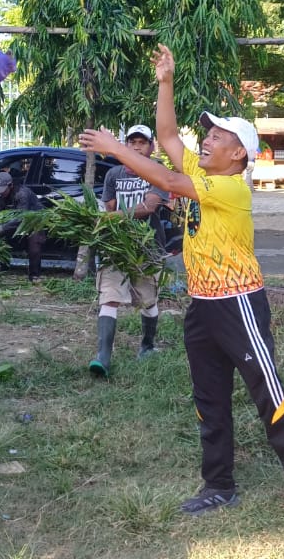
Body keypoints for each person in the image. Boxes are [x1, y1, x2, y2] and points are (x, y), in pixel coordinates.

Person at [78, 44, 284, 540]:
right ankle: (219, 484)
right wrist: (165, 82)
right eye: (208, 133)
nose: (205, 140)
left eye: (216, 136)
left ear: (237, 153)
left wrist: (117, 150)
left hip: (240, 304)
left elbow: (168, 178)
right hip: (203, 306)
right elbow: (168, 137)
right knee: (209, 399)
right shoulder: (203, 172)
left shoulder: (232, 188)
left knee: (270, 397)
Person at [89, 124, 168, 377]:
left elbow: (150, 206)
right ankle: (103, 357)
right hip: (117, 246)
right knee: (109, 294)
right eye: (132, 142)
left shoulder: (158, 172)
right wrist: (108, 220)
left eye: (142, 143)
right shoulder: (113, 174)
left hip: (147, 246)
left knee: (148, 298)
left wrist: (117, 216)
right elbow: (108, 206)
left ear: (151, 146)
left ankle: (147, 346)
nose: (136, 147)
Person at [0, 170, 47, 282]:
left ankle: (34, 275)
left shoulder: (22, 194)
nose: (1, 193)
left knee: (34, 247)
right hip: (13, 221)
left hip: (33, 222)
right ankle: (3, 266)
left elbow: (21, 218)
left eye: (3, 190)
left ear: (10, 185)